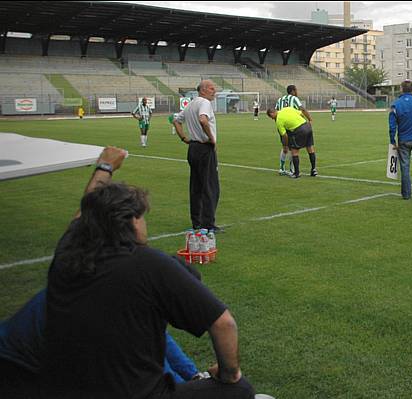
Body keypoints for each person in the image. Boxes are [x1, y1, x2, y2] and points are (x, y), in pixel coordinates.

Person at [37, 145, 255, 398]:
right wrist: (229, 375)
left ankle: (190, 374)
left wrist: (104, 168)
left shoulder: (67, 254)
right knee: (240, 389)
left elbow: (85, 215)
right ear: (131, 221)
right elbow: (224, 324)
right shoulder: (147, 264)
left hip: (65, 387)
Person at [0, 289, 207, 392]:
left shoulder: (132, 295)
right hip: (15, 369)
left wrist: (194, 375)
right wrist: (187, 389)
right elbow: (153, 369)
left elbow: (162, 339)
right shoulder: (118, 313)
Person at [173, 80, 221, 233]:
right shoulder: (204, 103)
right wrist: (211, 138)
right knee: (210, 186)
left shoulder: (191, 104)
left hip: (193, 148)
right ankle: (208, 224)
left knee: (196, 187)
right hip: (204, 148)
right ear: (204, 90)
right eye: (212, 88)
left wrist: (184, 138)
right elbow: (203, 119)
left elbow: (176, 120)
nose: (215, 91)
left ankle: (197, 222)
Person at [267, 107, 317, 179]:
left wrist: (286, 145)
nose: (272, 119)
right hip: (307, 126)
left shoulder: (278, 120)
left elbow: (285, 136)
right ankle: (313, 170)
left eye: (270, 116)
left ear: (272, 113)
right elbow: (301, 113)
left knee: (294, 151)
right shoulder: (287, 109)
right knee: (310, 149)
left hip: (298, 130)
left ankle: (296, 173)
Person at [275, 85, 313, 176]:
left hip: (282, 125)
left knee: (285, 147)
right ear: (292, 91)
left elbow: (276, 111)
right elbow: (302, 109)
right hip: (293, 127)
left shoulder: (280, 99)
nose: (297, 92)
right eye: (296, 90)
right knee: (293, 149)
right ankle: (292, 170)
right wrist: (310, 119)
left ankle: (281, 168)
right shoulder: (294, 98)